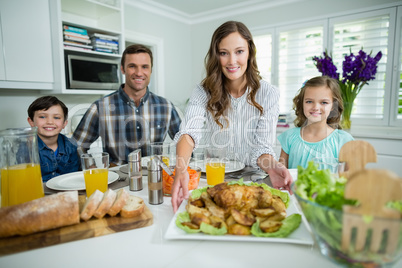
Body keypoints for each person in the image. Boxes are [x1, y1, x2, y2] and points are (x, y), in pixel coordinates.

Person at [171, 21, 293, 212]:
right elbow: (189, 132)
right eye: (223, 53)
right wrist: (180, 169)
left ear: (250, 53)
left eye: (239, 51)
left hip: (253, 182)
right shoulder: (203, 91)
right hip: (212, 181)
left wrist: (272, 166)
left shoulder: (268, 94)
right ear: (216, 55)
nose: (231, 61)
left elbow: (262, 147)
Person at [72, 44, 182, 166]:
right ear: (123, 69)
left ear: (151, 70)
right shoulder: (100, 107)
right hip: (118, 180)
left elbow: (184, 141)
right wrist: (92, 169)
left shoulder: (166, 106)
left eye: (145, 67)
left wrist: (183, 168)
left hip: (155, 177)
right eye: (132, 66)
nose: (139, 73)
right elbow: (77, 145)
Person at [277, 76, 354, 169]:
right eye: (309, 101)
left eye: (324, 102)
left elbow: (351, 179)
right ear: (302, 103)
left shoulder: (343, 140)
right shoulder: (289, 137)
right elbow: (281, 175)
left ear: (333, 106)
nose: (315, 107)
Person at [27, 96, 80, 182]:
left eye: (56, 117)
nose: (50, 122)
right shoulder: (26, 148)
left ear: (64, 123)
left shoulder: (71, 146)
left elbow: (73, 177)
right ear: (31, 122)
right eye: (42, 117)